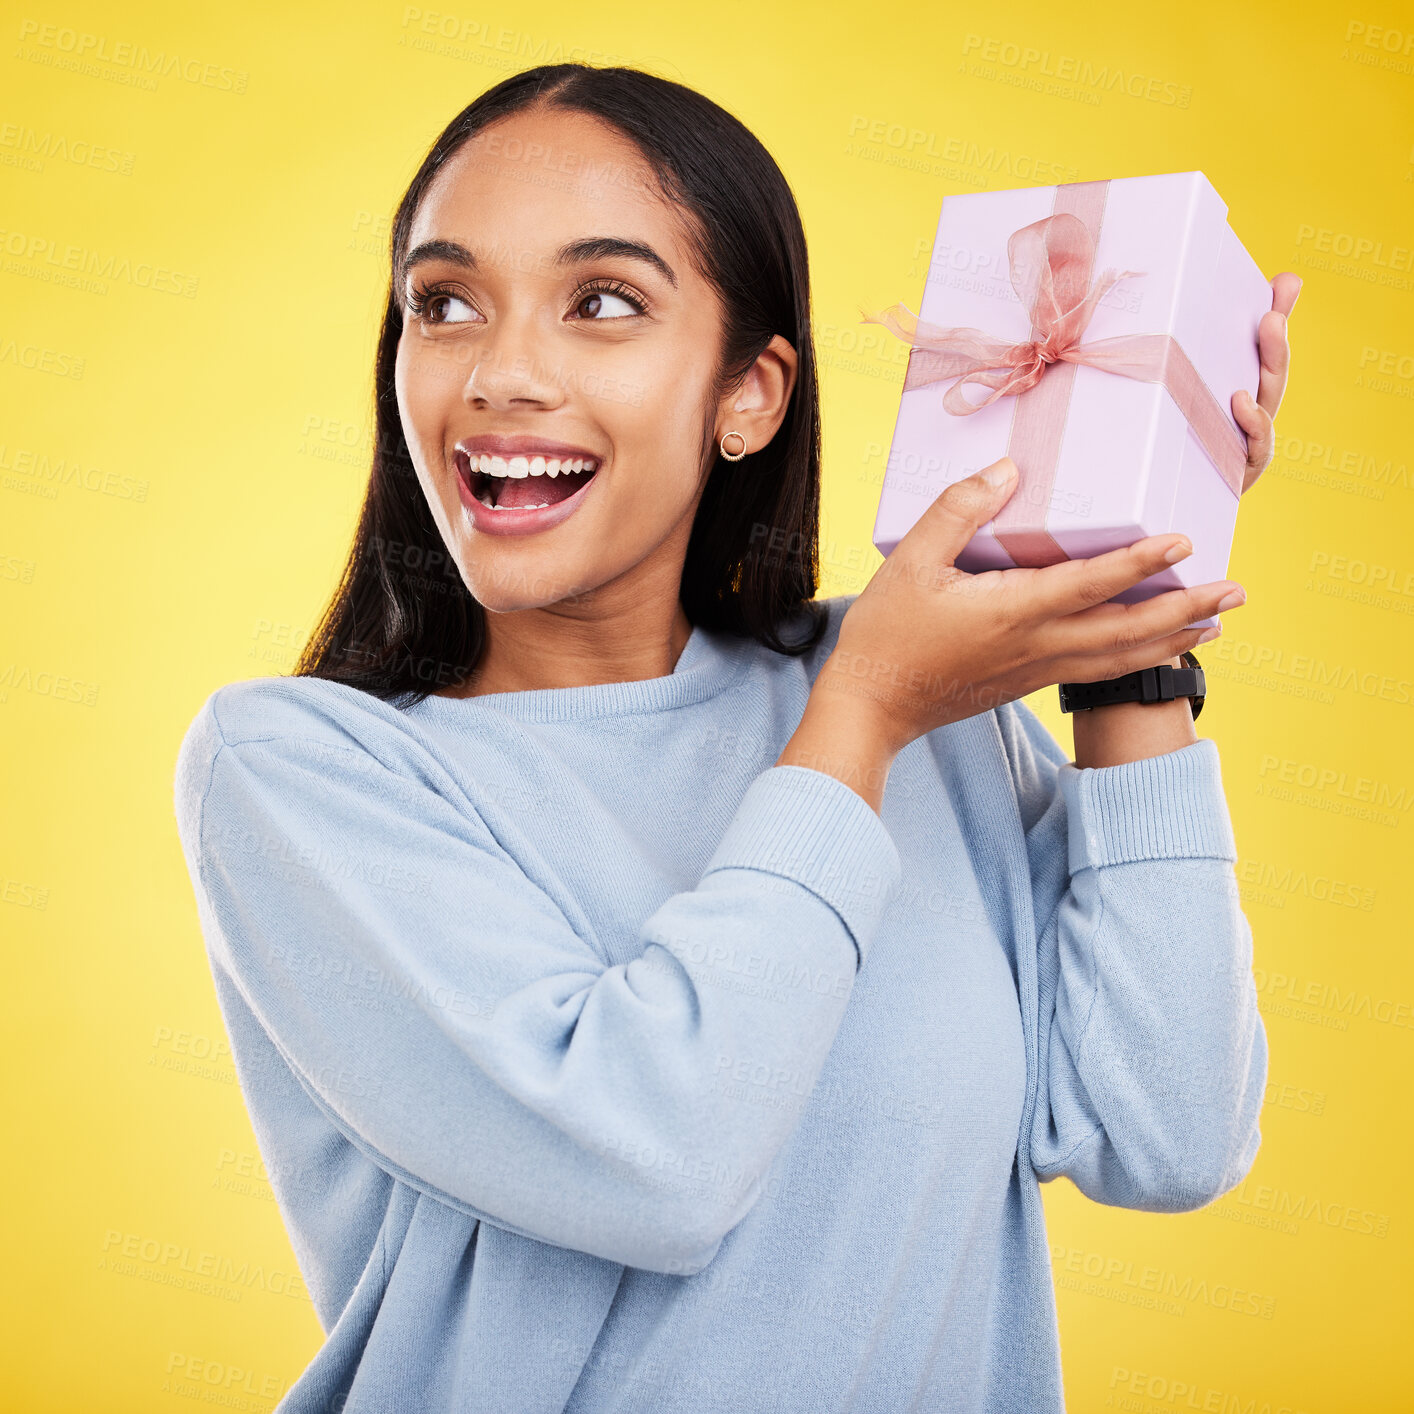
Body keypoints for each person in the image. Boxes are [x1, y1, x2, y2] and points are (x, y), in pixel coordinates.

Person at [173, 62, 1298, 1414]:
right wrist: (862, 712)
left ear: (748, 394)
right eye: (443, 300)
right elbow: (651, 1157)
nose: (500, 371)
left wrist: (1128, 611)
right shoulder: (301, 769)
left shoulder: (916, 706)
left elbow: (1161, 1130)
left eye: (600, 302)